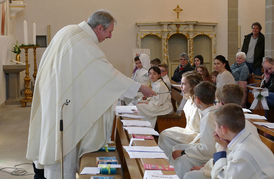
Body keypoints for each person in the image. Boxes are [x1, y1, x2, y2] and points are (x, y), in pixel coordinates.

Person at [26, 10, 156, 179]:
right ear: (100, 28)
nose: (109, 36)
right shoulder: (82, 42)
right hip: (65, 105)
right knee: (63, 147)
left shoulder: (68, 31)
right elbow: (106, 74)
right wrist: (140, 88)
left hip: (54, 97)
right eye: (109, 32)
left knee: (56, 141)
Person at [183, 84, 260, 179]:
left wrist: (206, 168)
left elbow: (223, 174)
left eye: (216, 102)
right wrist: (206, 167)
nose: (214, 105)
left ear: (222, 104)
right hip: (228, 168)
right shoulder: (247, 124)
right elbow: (224, 156)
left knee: (189, 176)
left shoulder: (228, 127)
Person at [211, 104, 274, 179]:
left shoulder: (242, 154)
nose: (215, 130)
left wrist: (222, 149)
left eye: (215, 126)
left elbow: (222, 179)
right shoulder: (246, 137)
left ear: (223, 129)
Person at [171, 81, 218, 178]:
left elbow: (208, 150)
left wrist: (184, 152)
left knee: (180, 159)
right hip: (208, 153)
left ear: (197, 99)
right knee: (177, 147)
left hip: (209, 157)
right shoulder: (211, 112)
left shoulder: (208, 118)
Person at [158, 71, 202, 162]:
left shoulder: (200, 103)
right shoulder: (189, 99)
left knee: (166, 135)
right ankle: (166, 161)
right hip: (189, 131)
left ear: (193, 86)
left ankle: (168, 162)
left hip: (196, 136)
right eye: (181, 83)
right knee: (165, 133)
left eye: (183, 84)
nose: (181, 87)